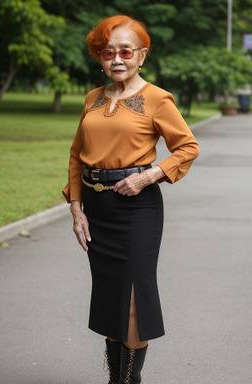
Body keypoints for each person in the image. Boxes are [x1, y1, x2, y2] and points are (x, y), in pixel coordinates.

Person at [62, 14, 199, 384]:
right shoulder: (92, 98)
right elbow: (77, 155)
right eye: (108, 52)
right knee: (109, 296)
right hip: (97, 208)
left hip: (137, 209)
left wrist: (149, 175)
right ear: (100, 57)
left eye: (126, 51)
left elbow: (187, 147)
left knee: (134, 296)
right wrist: (76, 208)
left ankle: (125, 380)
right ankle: (118, 378)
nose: (117, 59)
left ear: (142, 55)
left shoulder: (156, 99)